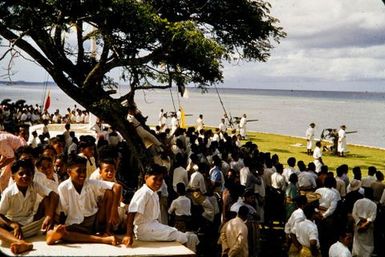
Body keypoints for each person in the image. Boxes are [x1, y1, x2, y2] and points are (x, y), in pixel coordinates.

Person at [46, 155, 122, 245]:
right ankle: (102, 239)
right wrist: (60, 228)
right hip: (76, 223)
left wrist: (114, 210)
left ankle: (107, 231)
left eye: (84, 171)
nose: (82, 174)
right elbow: (63, 212)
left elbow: (117, 187)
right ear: (69, 172)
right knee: (63, 234)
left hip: (95, 221)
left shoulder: (90, 182)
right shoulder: (63, 187)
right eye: (79, 171)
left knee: (109, 192)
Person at [122, 164, 198, 252]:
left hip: (152, 227)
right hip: (145, 229)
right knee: (181, 236)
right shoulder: (143, 193)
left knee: (178, 233)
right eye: (155, 179)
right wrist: (128, 234)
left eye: (161, 179)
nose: (158, 182)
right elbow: (131, 213)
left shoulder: (154, 193)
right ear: (146, 178)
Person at [0, 159, 59, 254]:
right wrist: (13, 224)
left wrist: (49, 216)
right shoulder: (8, 193)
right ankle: (20, 243)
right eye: (21, 173)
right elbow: (0, 214)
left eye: (28, 174)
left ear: (32, 176)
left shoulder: (34, 185)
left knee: (47, 198)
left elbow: (54, 195)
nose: (25, 176)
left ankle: (49, 230)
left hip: (32, 224)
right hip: (15, 229)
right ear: (13, 177)